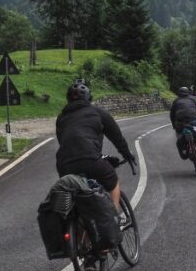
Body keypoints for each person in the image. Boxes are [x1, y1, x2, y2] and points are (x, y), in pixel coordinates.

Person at [55, 81, 136, 215]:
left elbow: (63, 141)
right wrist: (126, 154)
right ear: (89, 97)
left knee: (74, 196)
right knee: (113, 181)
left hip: (64, 164)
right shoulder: (97, 112)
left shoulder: (61, 117)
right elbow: (116, 137)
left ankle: (77, 227)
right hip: (90, 159)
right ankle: (114, 218)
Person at [170, 86, 196, 167]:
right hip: (194, 121)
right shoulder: (193, 99)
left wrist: (174, 125)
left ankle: (186, 150)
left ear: (179, 93)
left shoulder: (176, 100)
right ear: (188, 92)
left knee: (179, 137)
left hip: (180, 123)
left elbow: (172, 114)